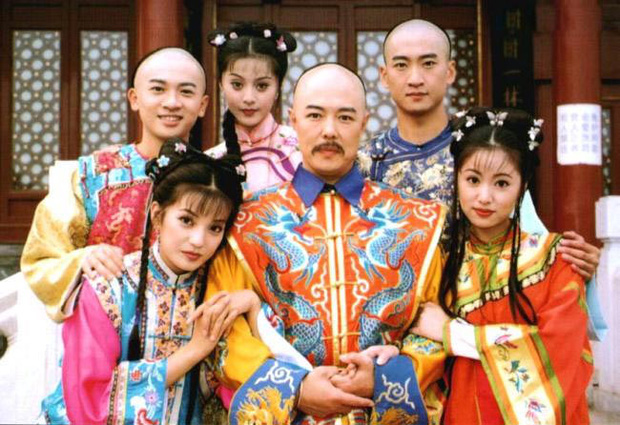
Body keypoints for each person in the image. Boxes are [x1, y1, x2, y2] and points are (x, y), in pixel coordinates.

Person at [205, 63, 447, 424]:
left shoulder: (417, 220)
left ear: (364, 123)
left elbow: (436, 325)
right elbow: (225, 328)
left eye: (345, 117)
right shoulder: (245, 222)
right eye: (315, 115)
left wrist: (385, 378)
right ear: (293, 120)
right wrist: (297, 388)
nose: (330, 130)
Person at [357, 18, 604, 336]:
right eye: (401, 65)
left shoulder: (483, 150)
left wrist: (572, 261)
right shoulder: (366, 163)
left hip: (475, 317)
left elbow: (530, 246)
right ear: (384, 75)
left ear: (450, 71)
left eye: (428, 63)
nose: (415, 78)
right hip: (392, 325)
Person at [41, 139, 258, 424]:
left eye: (215, 228)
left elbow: (249, 390)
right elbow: (89, 401)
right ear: (157, 215)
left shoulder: (217, 291)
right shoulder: (108, 288)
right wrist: (194, 351)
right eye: (187, 220)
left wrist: (253, 304)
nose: (198, 240)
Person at [412, 108, 593, 425]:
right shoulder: (440, 261)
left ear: (523, 186)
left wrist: (453, 333)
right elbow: (419, 337)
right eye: (472, 180)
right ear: (456, 179)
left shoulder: (556, 259)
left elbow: (559, 351)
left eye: (501, 183)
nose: (484, 196)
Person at [20, 47, 209, 321]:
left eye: (186, 92)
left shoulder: (214, 180)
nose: (172, 102)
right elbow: (41, 261)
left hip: (190, 330)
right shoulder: (91, 176)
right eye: (158, 89)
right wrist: (84, 259)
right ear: (134, 98)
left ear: (202, 105)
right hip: (103, 333)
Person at [206, 22, 302, 192]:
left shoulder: (303, 151)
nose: (249, 98)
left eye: (262, 86)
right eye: (237, 84)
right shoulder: (209, 162)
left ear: (278, 88)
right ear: (221, 84)